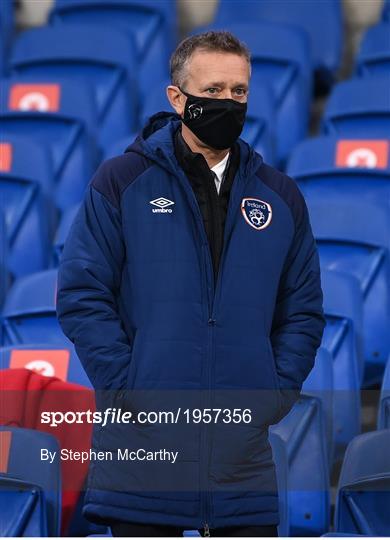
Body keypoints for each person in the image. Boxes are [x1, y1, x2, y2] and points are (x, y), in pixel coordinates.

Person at [56, 31, 326, 537]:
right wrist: (128, 388)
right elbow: (81, 294)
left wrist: (272, 393)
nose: (228, 103)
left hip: (241, 473)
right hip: (143, 460)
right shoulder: (120, 182)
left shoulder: (281, 196)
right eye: (214, 90)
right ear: (177, 98)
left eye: (239, 92)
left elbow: (303, 311)